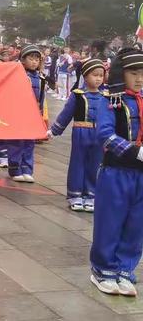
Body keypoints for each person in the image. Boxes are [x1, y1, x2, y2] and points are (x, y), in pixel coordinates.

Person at [90, 48, 143, 297]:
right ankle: (103, 269)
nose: (140, 78)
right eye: (134, 73)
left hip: (141, 175)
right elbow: (104, 134)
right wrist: (135, 152)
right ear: (123, 73)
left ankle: (125, 270)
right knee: (110, 222)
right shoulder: (111, 99)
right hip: (116, 171)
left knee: (137, 225)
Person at [48, 59, 106, 212]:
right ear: (85, 76)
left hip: (99, 135)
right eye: (95, 75)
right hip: (81, 132)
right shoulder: (78, 95)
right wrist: (54, 130)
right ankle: (75, 194)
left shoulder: (106, 96)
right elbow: (66, 114)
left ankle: (91, 195)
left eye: (101, 75)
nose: (98, 78)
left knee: (96, 164)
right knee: (78, 163)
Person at [7, 44, 46, 183]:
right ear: (23, 60)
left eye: (37, 59)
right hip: (19, 112)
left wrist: (40, 114)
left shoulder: (41, 79)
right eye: (31, 58)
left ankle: (27, 169)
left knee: (29, 143)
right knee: (16, 141)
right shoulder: (18, 75)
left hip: (33, 114)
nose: (35, 61)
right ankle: (15, 168)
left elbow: (41, 98)